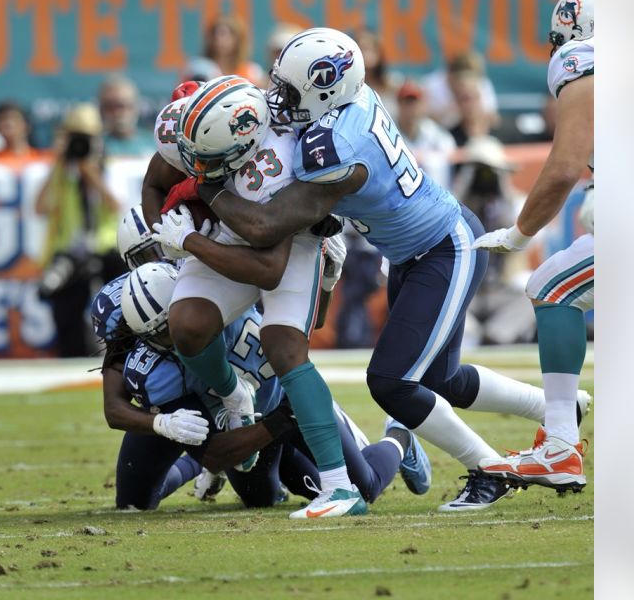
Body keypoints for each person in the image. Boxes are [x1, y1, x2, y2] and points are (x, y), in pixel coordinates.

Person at [195, 28, 551, 511]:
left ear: (326, 88)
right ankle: (555, 407)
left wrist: (207, 186)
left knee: (392, 383)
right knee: (439, 381)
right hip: (413, 252)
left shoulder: (334, 144)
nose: (281, 99)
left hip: (444, 247)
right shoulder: (349, 102)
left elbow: (265, 226)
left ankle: (490, 469)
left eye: (292, 90)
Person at [146, 77, 410, 519]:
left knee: (284, 347)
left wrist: (191, 237)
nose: (192, 166)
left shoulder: (286, 160)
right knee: (188, 326)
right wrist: (163, 233)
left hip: (292, 238)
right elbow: (155, 183)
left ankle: (339, 486)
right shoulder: (203, 125)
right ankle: (234, 397)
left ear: (242, 147)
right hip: (228, 231)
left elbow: (267, 264)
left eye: (205, 161)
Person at [98, 262, 431, 510]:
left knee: (366, 487)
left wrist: (326, 282)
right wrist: (164, 423)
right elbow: (214, 452)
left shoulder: (226, 288)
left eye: (168, 327)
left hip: (287, 394)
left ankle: (399, 438)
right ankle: (203, 465)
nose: (168, 339)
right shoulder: (157, 368)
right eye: (156, 335)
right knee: (262, 499)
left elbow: (308, 320)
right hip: (254, 423)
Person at [474, 0, 595, 495]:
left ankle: (561, 446)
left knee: (551, 285)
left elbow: (565, 164)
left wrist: (518, 234)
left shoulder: (580, 57)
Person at [35, 103, 124, 357]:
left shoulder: (109, 167)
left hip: (106, 248)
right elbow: (40, 208)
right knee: (66, 317)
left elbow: (116, 204)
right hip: (71, 251)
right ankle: (72, 358)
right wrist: (58, 163)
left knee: (118, 314)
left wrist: (91, 172)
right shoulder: (62, 173)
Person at [395, 79, 456, 188]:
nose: (412, 108)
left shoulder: (432, 130)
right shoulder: (390, 130)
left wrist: (426, 158)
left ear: (423, 105)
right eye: (407, 103)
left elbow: (450, 150)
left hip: (432, 192)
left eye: (415, 103)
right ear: (399, 105)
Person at [97, 76, 155, 157]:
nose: (117, 113)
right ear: (101, 109)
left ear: (136, 106)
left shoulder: (156, 144)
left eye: (122, 105)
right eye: (109, 107)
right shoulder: (94, 146)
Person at [202, 15, 265, 87]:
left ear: (237, 39)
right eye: (215, 34)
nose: (219, 40)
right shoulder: (201, 70)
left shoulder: (252, 72)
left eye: (224, 34)